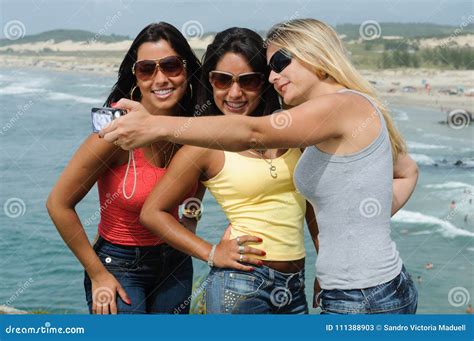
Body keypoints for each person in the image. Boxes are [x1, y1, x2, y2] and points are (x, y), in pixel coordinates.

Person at [100, 19, 419, 314]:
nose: (273, 76)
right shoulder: (324, 119)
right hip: (259, 286)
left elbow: (254, 133)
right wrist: (210, 250)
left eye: (278, 64)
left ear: (315, 53)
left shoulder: (331, 111)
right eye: (222, 80)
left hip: (357, 294)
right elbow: (404, 172)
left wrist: (155, 125)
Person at [140, 27, 318, 314]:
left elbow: (312, 205)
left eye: (248, 81)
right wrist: (210, 252)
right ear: (210, 81)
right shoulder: (204, 146)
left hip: (295, 286)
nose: (234, 93)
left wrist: (327, 266)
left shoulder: (290, 129)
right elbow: (153, 213)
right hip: (239, 286)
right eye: (222, 80)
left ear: (264, 81)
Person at [47, 22, 202, 314]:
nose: (161, 78)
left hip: (176, 263)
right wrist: (97, 274)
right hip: (119, 265)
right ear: (136, 77)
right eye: (147, 69)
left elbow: (203, 177)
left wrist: (190, 218)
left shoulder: (190, 130)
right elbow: (58, 204)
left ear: (187, 70)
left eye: (171, 66)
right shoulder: (115, 133)